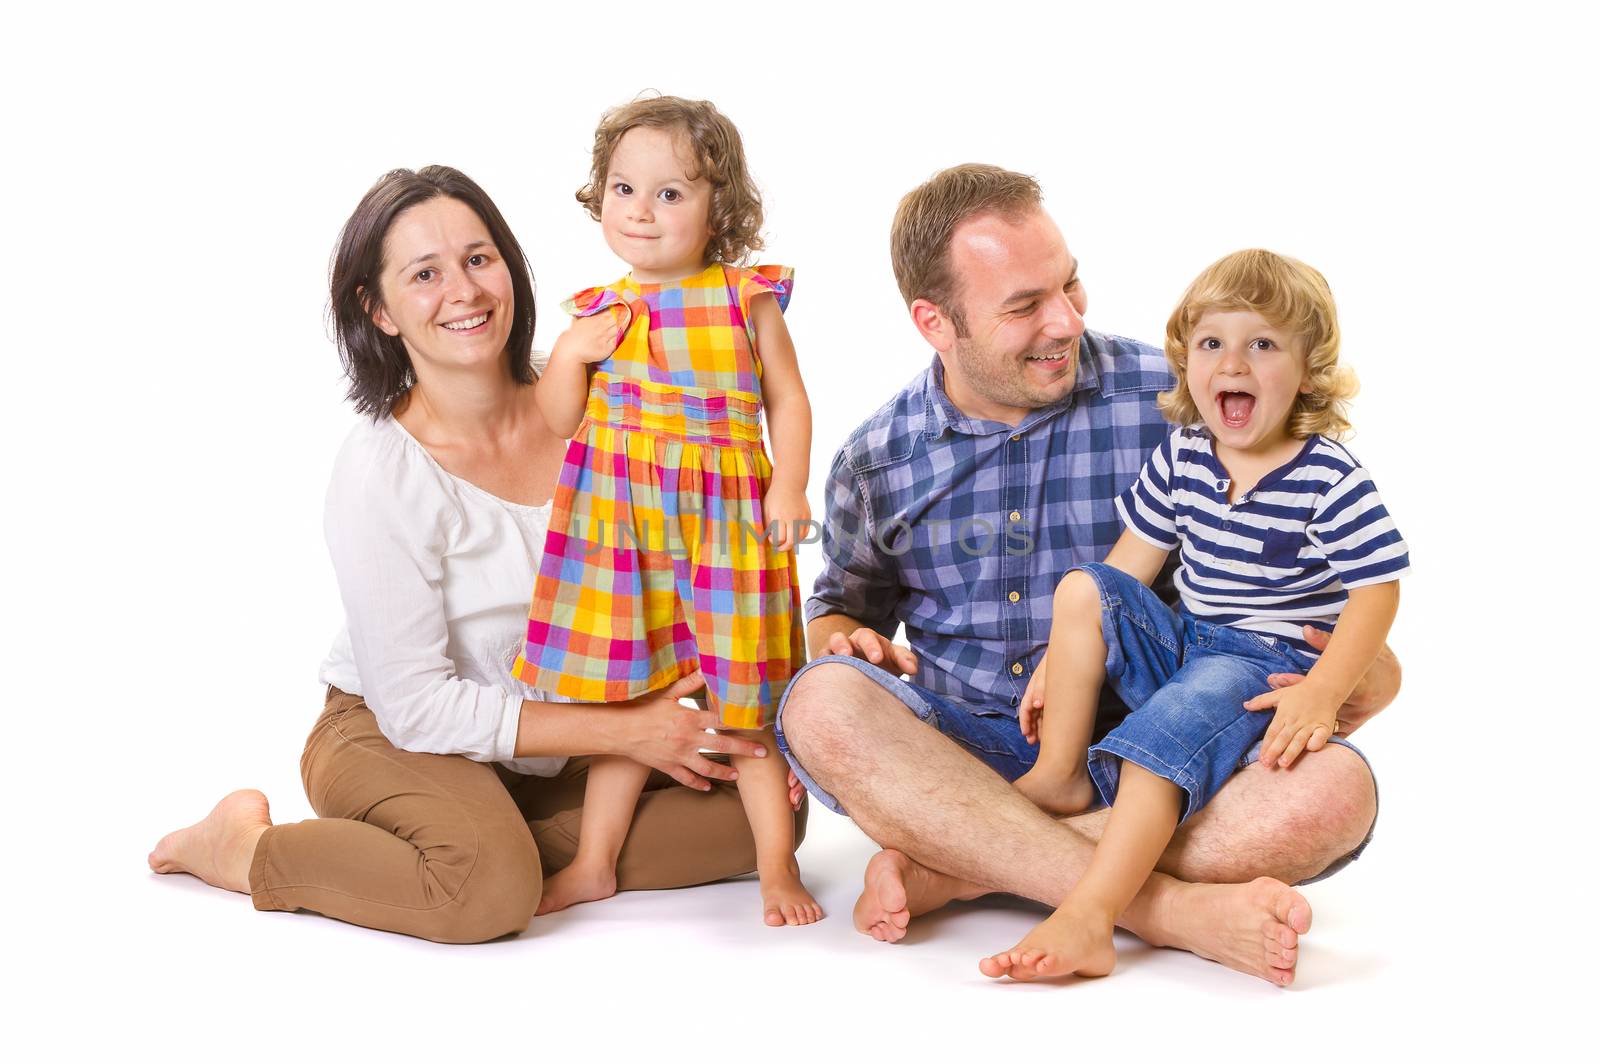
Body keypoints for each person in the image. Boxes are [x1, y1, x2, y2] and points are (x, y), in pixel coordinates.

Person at [774, 164, 1398, 985]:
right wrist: (841, 640)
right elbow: (837, 610)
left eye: (1070, 286)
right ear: (936, 321)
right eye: (1025, 306)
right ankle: (1163, 910)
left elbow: (1315, 581)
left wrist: (1362, 673)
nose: (1065, 321)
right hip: (964, 751)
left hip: (1156, 746)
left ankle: (967, 868)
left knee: (1333, 794)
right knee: (817, 701)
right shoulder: (877, 456)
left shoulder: (1176, 401)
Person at [147, 165, 805, 943]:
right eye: (424, 274)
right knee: (484, 893)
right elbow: (417, 705)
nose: (463, 290)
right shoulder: (381, 472)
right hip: (390, 729)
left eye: (479, 258)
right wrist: (624, 734)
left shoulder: (601, 401)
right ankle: (247, 850)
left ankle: (480, 835)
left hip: (564, 732)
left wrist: (752, 702)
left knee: (758, 822)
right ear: (380, 311)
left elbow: (691, 565)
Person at [992, 248, 1409, 979]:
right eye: (1213, 344)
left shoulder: (1326, 475)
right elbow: (1132, 562)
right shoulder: (1186, 450)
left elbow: (1378, 590)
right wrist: (1066, 650)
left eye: (1264, 345)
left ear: (1308, 371)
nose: (1234, 365)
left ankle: (1093, 915)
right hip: (1188, 640)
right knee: (1083, 588)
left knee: (1175, 719)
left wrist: (1323, 689)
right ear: (1187, 363)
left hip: (1261, 661)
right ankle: (1059, 773)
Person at [513, 96, 819, 926]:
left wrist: (787, 486)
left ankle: (776, 869)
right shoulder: (598, 312)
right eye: (622, 189)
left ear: (721, 208)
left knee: (740, 702)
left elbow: (787, 399)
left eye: (670, 193)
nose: (640, 211)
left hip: (727, 527)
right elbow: (556, 419)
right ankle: (595, 863)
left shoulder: (742, 297)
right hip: (619, 531)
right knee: (626, 709)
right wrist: (572, 354)